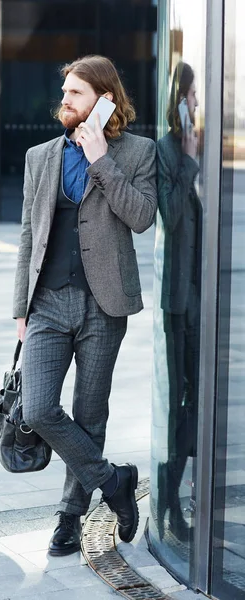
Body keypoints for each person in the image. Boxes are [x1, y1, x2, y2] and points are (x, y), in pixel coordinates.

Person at [13, 55, 157, 556]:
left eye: (75, 93)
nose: (65, 101)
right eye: (66, 92)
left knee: (89, 413)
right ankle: (114, 481)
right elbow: (29, 236)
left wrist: (101, 159)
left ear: (104, 99)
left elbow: (140, 218)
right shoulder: (41, 157)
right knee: (39, 408)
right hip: (48, 304)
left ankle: (70, 517)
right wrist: (20, 310)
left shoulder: (138, 153)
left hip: (104, 304)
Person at [156, 62, 202, 542]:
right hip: (176, 304)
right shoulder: (167, 151)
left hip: (196, 301)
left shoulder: (194, 152)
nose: (196, 103)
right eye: (191, 95)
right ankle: (170, 505)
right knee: (177, 407)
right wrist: (188, 160)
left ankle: (170, 498)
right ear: (178, 99)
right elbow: (167, 217)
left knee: (195, 402)